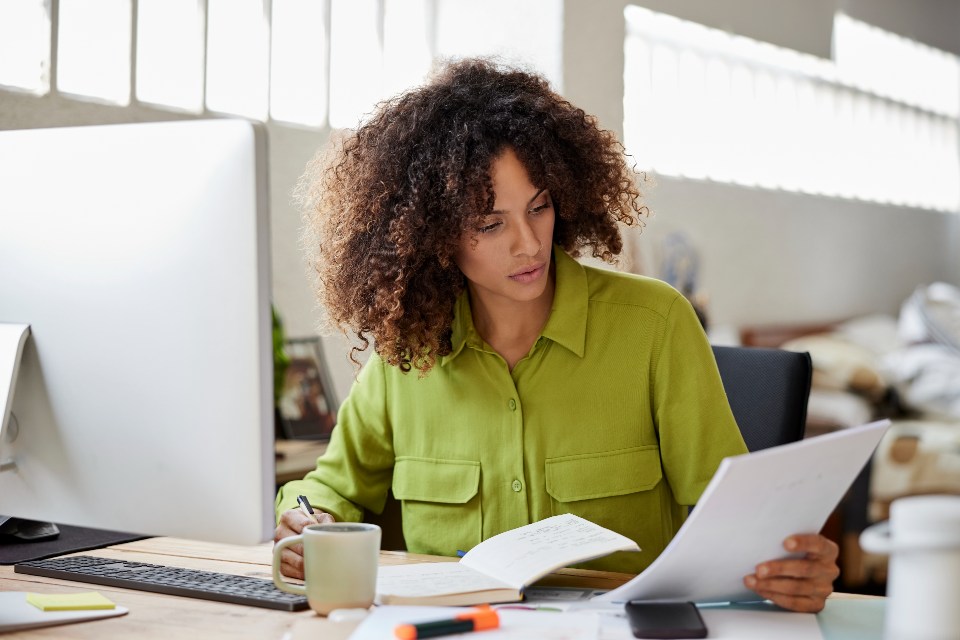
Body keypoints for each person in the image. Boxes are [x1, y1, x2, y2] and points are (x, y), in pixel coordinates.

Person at [275, 58, 839, 613]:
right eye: (490, 223)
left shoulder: (655, 324)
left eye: (539, 207)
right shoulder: (408, 356)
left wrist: (790, 568)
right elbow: (331, 491)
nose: (528, 243)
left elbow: (737, 522)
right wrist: (309, 519)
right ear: (433, 238)